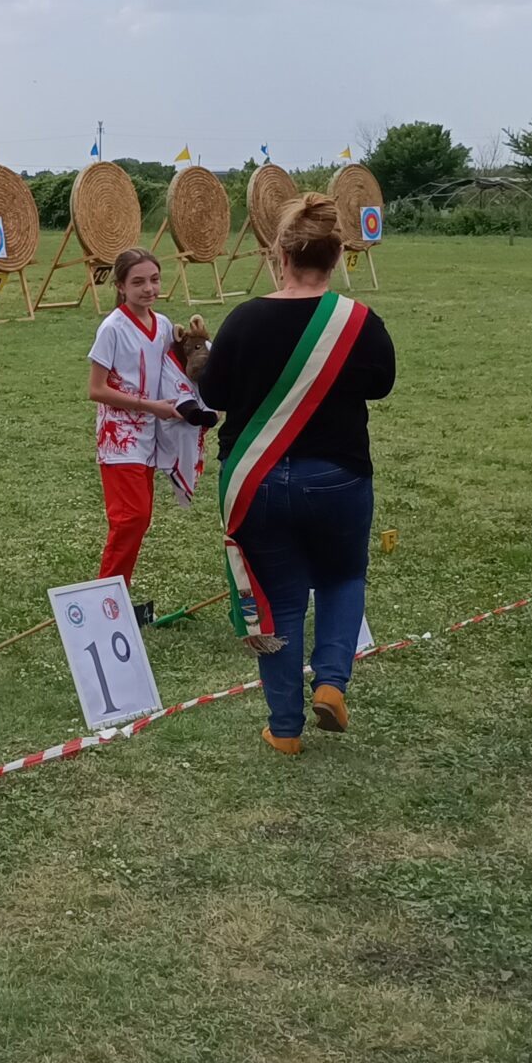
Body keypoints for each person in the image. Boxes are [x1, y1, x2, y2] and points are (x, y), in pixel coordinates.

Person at [197, 193, 395, 756]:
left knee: (279, 602)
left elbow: (214, 394)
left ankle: (284, 729)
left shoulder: (244, 319)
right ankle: (331, 681)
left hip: (256, 480)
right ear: (335, 258)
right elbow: (381, 384)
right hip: (339, 475)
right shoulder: (358, 321)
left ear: (280, 255)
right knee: (342, 578)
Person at [85, 248, 212, 619]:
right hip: (119, 438)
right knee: (131, 519)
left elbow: (179, 369)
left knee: (138, 520)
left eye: (154, 280)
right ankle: (105, 605)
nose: (148, 288)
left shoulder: (164, 324)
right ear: (121, 286)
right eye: (138, 282)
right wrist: (150, 406)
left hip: (152, 437)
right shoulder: (112, 328)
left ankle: (116, 600)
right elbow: (96, 389)